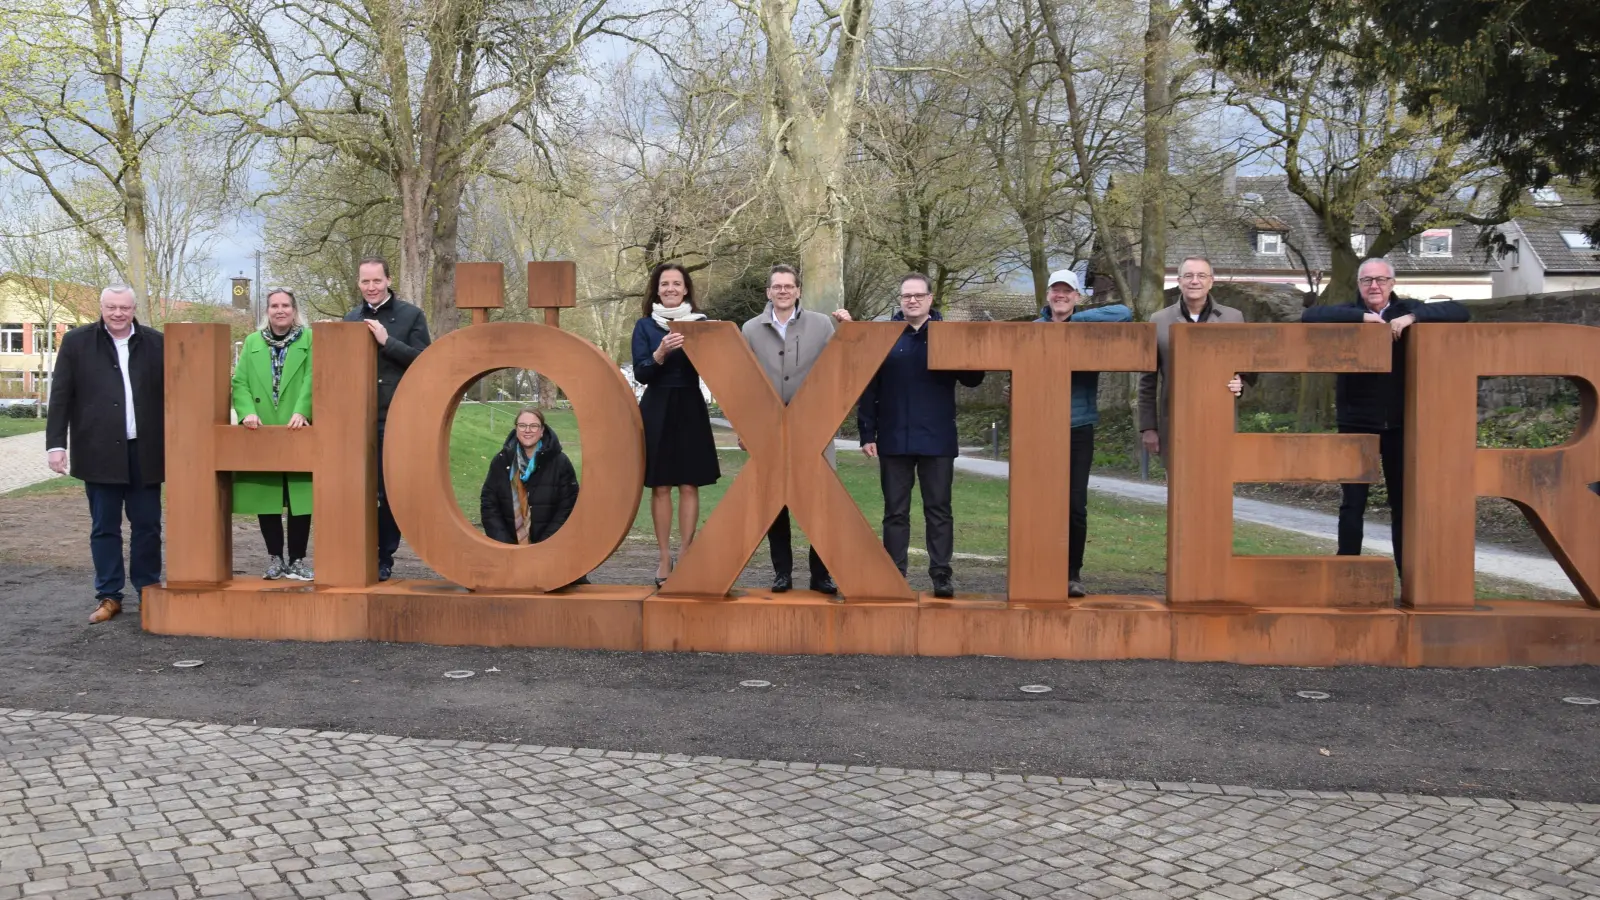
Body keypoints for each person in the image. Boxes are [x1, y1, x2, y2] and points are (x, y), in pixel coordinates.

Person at [1302, 257, 1470, 573]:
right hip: (1356, 421)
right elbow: (1310, 314)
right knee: (1353, 503)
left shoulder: (1406, 308)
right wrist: (1361, 320)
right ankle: (1347, 573)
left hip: (1399, 423)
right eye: (1367, 281)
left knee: (1403, 504)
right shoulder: (1348, 313)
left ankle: (1408, 576)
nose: (1374, 286)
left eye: (1380, 280)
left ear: (1392, 283)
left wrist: (1412, 318)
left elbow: (1460, 312)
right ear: (1359, 285)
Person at [1003, 270, 1131, 598]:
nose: (1060, 296)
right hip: (1038, 428)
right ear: (1047, 294)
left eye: (1067, 291)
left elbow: (1125, 312)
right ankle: (1037, 568)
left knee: (1075, 505)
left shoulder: (1090, 327)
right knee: (1036, 502)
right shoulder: (1033, 331)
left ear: (1077, 296)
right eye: (1055, 291)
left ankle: (1072, 573)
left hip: (1077, 427)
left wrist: (1072, 321)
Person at [857, 273, 985, 599]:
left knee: (938, 510)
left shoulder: (947, 336)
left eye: (918, 295)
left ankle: (941, 574)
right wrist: (866, 433)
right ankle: (894, 574)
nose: (911, 301)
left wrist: (973, 344)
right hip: (894, 438)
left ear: (930, 299)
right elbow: (869, 389)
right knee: (895, 512)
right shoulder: (884, 338)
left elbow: (973, 379)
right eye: (906, 296)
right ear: (899, 301)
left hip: (937, 439)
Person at [44, 285, 164, 624]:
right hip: (97, 450)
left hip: (145, 451)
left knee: (147, 526)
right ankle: (109, 595)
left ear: (134, 308)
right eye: (111, 307)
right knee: (104, 527)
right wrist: (56, 444)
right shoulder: (77, 342)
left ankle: (148, 590)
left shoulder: (156, 342)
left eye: (124, 307)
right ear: (101, 307)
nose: (118, 313)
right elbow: (61, 396)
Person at [740, 264, 852, 595]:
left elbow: (840, 366)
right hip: (769, 431)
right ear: (768, 292)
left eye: (789, 286)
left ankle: (821, 575)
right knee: (776, 505)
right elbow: (743, 383)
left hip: (815, 430)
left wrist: (848, 330)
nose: (784, 291)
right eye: (777, 286)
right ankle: (782, 573)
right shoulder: (749, 329)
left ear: (798, 291)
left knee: (821, 503)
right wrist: (745, 429)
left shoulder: (821, 324)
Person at [632, 262, 720, 587]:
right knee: (661, 486)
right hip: (657, 408)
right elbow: (642, 374)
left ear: (686, 290)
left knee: (688, 484)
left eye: (676, 284)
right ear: (657, 290)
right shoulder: (644, 326)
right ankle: (663, 556)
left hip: (690, 407)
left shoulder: (702, 324)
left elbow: (715, 368)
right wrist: (660, 352)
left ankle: (686, 552)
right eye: (664, 284)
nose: (670, 288)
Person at [343, 257, 431, 581]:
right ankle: (357, 554)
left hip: (394, 419)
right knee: (356, 491)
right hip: (354, 420)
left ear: (388, 280)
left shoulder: (411, 316)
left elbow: (426, 362)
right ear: (358, 283)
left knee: (386, 492)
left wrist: (387, 342)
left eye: (377, 281)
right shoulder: (350, 318)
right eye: (365, 282)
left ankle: (384, 557)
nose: (371, 287)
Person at [232, 289, 314, 581]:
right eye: (274, 306)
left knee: (300, 497)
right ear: (267, 310)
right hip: (262, 429)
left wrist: (304, 409)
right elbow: (239, 383)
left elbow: (314, 377)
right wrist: (245, 412)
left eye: (286, 305)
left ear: (294, 309)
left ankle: (298, 559)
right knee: (265, 496)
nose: (280, 310)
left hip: (298, 429)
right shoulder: (253, 343)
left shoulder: (310, 340)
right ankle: (275, 558)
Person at [1137, 256, 1249, 465]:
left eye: (1201, 275)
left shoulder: (1233, 318)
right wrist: (1149, 427)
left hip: (1218, 422)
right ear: (1179, 281)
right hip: (1176, 423)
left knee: (1217, 490)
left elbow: (1246, 367)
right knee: (1180, 492)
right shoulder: (1159, 320)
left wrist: (1239, 380)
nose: (1194, 281)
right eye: (1188, 275)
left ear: (1211, 281)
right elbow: (1147, 380)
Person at [479, 407, 582, 554]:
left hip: (551, 551)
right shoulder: (501, 461)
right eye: (522, 425)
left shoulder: (560, 462)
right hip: (509, 551)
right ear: (516, 429)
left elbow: (568, 507)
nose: (528, 430)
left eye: (534, 426)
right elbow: (489, 504)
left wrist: (544, 546)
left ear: (542, 431)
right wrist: (506, 545)